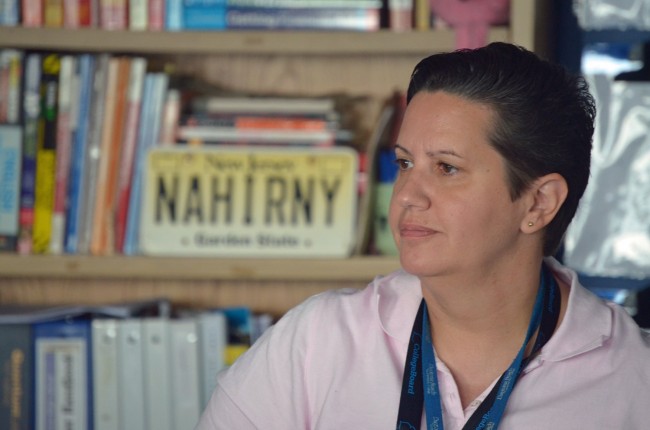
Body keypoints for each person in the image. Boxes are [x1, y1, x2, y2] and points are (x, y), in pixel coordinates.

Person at [196, 42, 650, 430]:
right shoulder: (316, 342)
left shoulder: (635, 379)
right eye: (405, 163)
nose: (408, 195)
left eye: (447, 168)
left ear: (538, 204)